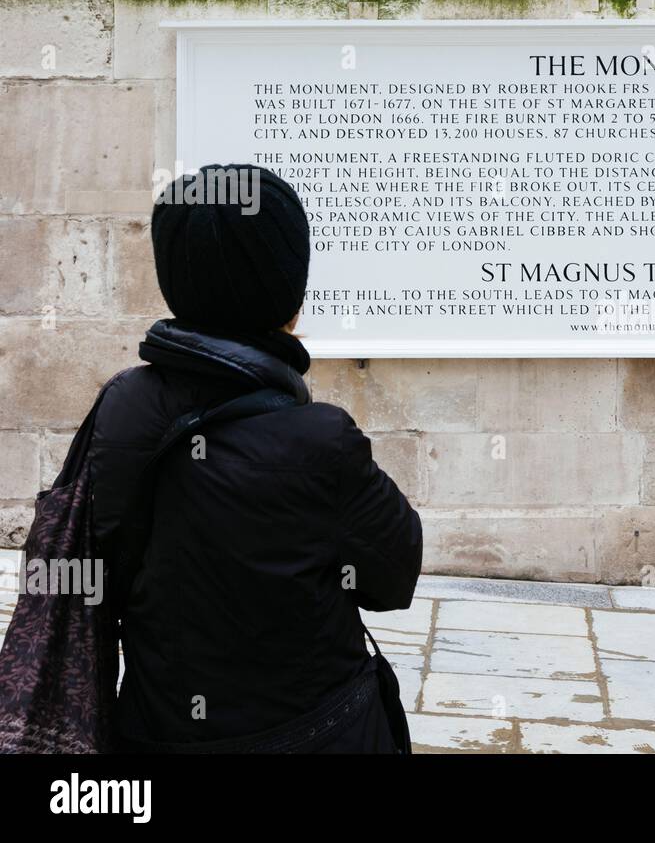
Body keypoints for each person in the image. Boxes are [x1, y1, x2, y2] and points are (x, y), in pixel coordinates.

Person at [89, 164, 422, 752]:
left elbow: (100, 570)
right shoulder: (321, 441)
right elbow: (394, 578)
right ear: (289, 300)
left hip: (153, 732)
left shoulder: (121, 408)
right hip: (313, 735)